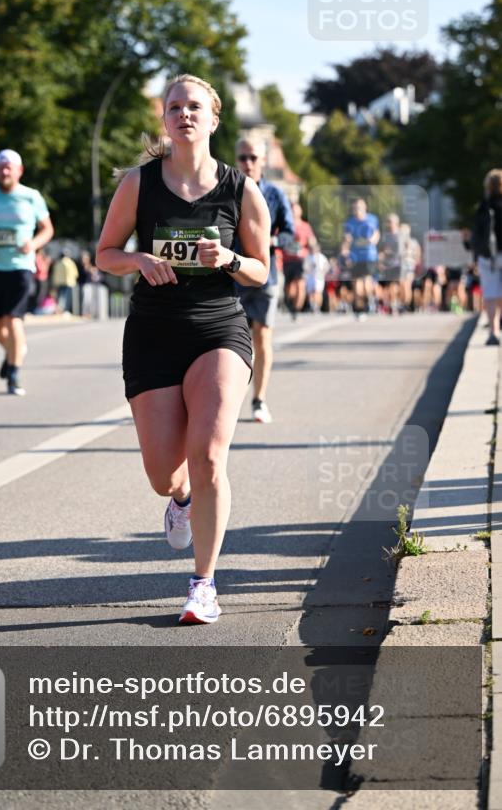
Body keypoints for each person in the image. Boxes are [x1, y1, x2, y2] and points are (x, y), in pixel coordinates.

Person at [96, 74, 270, 625]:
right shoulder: (138, 184)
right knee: (164, 474)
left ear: (214, 119)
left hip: (218, 328)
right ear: (164, 118)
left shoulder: (241, 190)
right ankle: (182, 500)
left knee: (210, 455)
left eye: (195, 106)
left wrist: (232, 262)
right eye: (175, 106)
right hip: (152, 332)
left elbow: (261, 271)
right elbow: (104, 253)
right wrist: (139, 261)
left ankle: (203, 584)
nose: (184, 114)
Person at [0, 149, 54, 394]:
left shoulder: (31, 197)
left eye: (9, 167)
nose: (5, 171)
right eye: (0, 167)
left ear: (19, 171)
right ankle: (13, 353)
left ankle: (14, 374)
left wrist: (34, 244)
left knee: (13, 319)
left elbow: (47, 229)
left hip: (21, 267)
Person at [234, 136, 294, 423]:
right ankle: (231, 399)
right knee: (233, 341)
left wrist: (271, 239)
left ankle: (259, 399)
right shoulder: (226, 191)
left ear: (263, 162)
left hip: (266, 276)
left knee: (262, 337)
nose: (248, 163)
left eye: (253, 158)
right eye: (243, 157)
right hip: (232, 276)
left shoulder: (275, 194)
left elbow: (290, 233)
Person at [471, 168, 502, 345]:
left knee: (490, 294)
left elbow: (477, 233)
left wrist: (475, 254)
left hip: (488, 255)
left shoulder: (484, 205)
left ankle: (493, 331)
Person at [341, 198, 380, 318]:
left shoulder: (372, 219)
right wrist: (345, 253)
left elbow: (376, 233)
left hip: (369, 255)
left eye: (359, 207)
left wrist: (373, 240)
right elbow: (346, 239)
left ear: (365, 208)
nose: (357, 210)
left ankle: (370, 299)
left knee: (367, 282)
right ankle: (360, 309)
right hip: (355, 257)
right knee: (357, 285)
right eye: (355, 208)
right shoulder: (349, 222)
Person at [283, 202, 315, 319]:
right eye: (292, 210)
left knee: (300, 285)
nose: (294, 212)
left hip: (301, 259)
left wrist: (312, 245)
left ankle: (296, 310)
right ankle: (290, 304)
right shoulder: (285, 225)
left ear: (300, 211)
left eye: (296, 210)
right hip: (288, 260)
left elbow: (312, 241)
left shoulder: (305, 226)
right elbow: (280, 241)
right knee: (289, 288)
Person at [378, 213, 403, 314]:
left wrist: (390, 252)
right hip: (387, 265)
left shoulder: (400, 235)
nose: (389, 224)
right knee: (390, 286)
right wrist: (380, 261)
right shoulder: (385, 236)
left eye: (391, 222)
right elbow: (381, 250)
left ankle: (397, 303)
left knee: (397, 285)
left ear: (396, 223)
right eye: (387, 222)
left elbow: (402, 251)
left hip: (398, 264)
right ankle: (393, 304)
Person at [304, 240, 330, 313]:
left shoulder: (322, 257)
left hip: (319, 277)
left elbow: (326, 266)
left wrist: (322, 272)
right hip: (310, 277)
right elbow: (305, 267)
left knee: (318, 292)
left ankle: (317, 306)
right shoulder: (308, 257)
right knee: (311, 292)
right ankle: (312, 305)